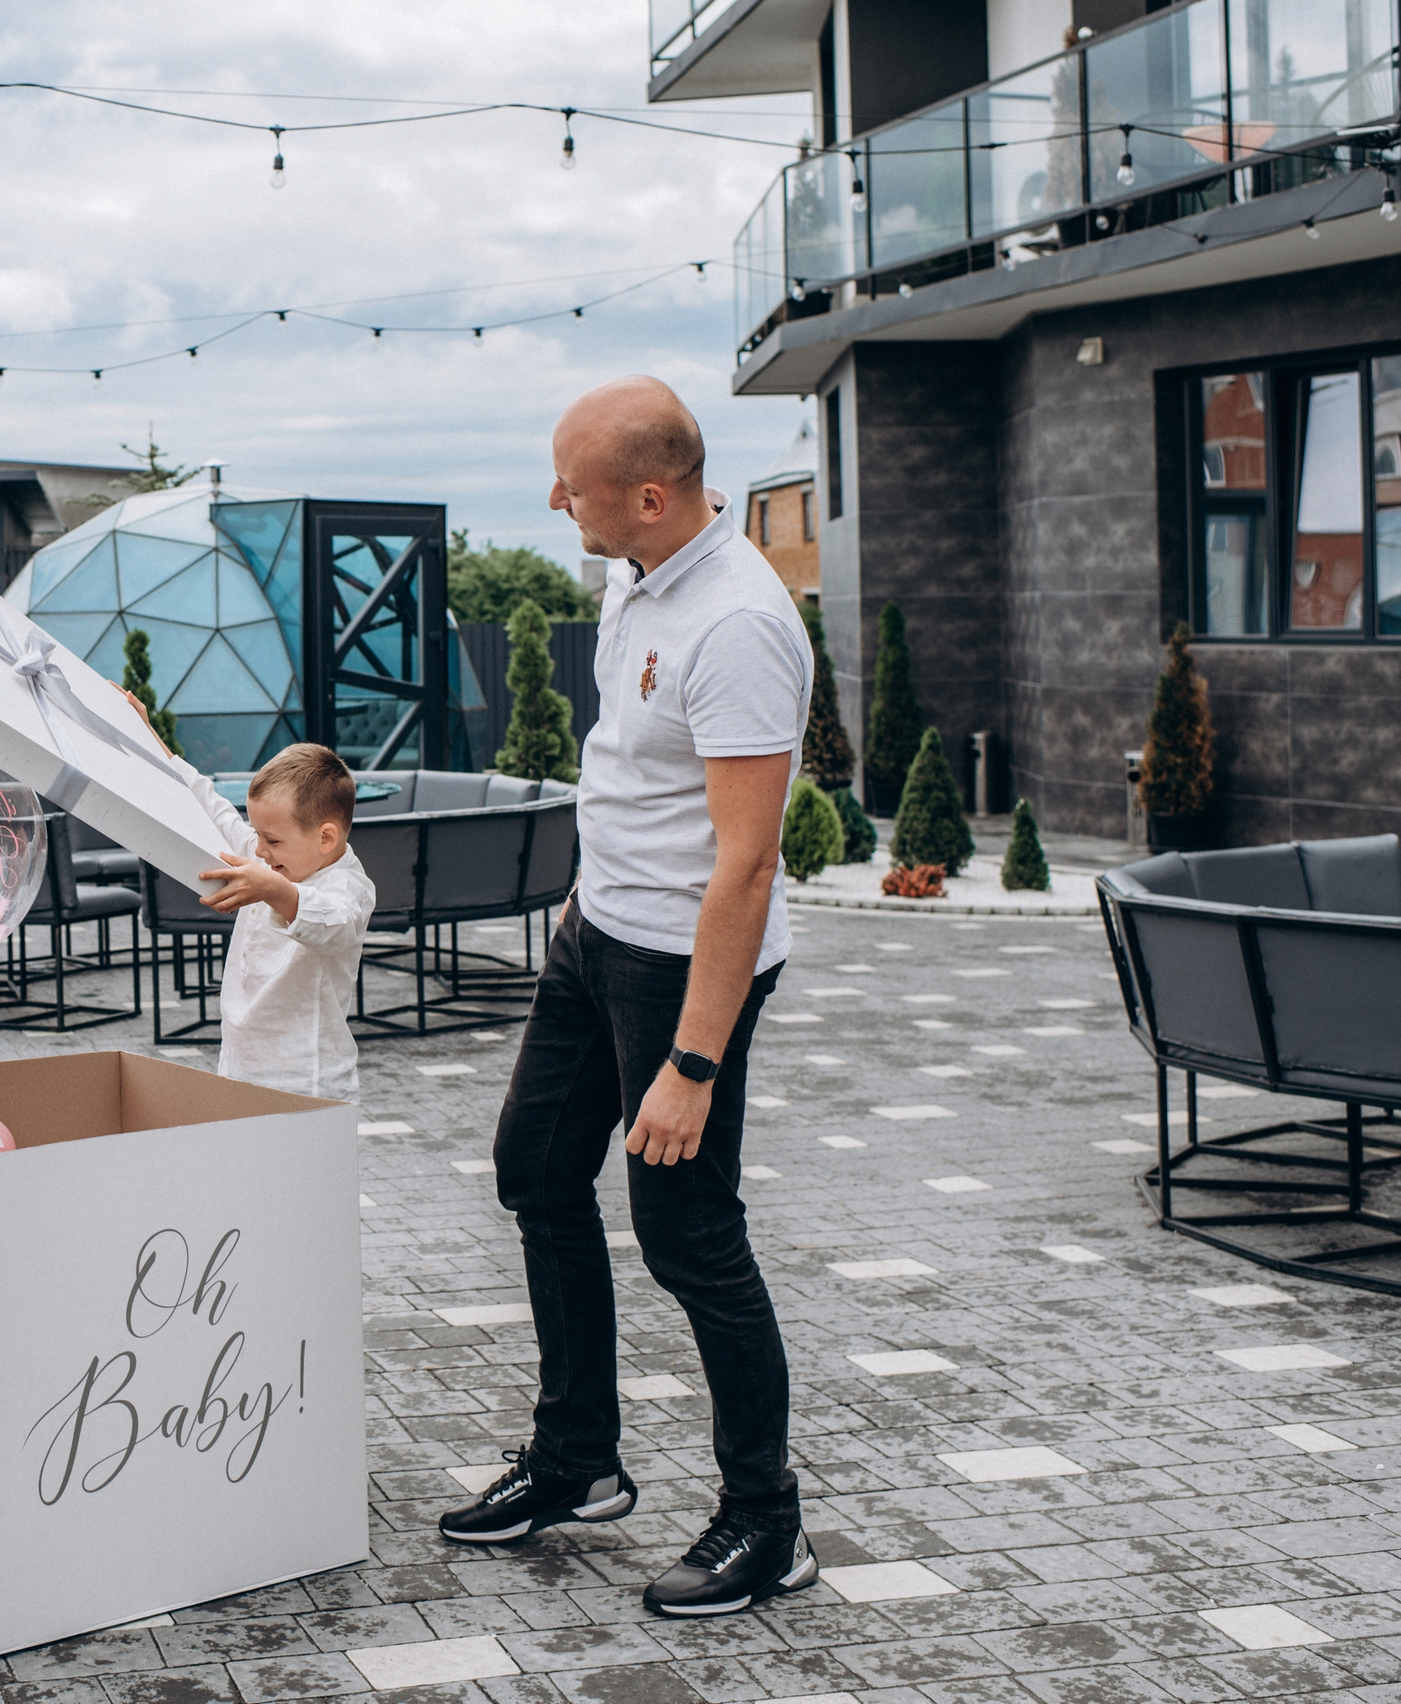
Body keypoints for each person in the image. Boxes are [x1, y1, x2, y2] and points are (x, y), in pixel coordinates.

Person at [435, 378, 816, 1619]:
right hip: (596, 940)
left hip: (681, 974)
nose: (554, 502)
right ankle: (577, 1461)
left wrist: (693, 1064)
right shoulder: (635, 577)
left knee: (688, 1238)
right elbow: (626, 775)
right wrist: (582, 908)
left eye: (572, 486)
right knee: (536, 1172)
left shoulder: (740, 627)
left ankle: (766, 1524)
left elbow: (747, 862)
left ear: (649, 497)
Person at [130, 711, 376, 1102]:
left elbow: (333, 925)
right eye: (257, 834)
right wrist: (150, 740)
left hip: (307, 1085)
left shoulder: (348, 886)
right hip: (237, 1069)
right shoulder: (267, 860)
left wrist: (273, 888)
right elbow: (209, 805)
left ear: (325, 837)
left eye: (273, 840)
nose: (259, 849)